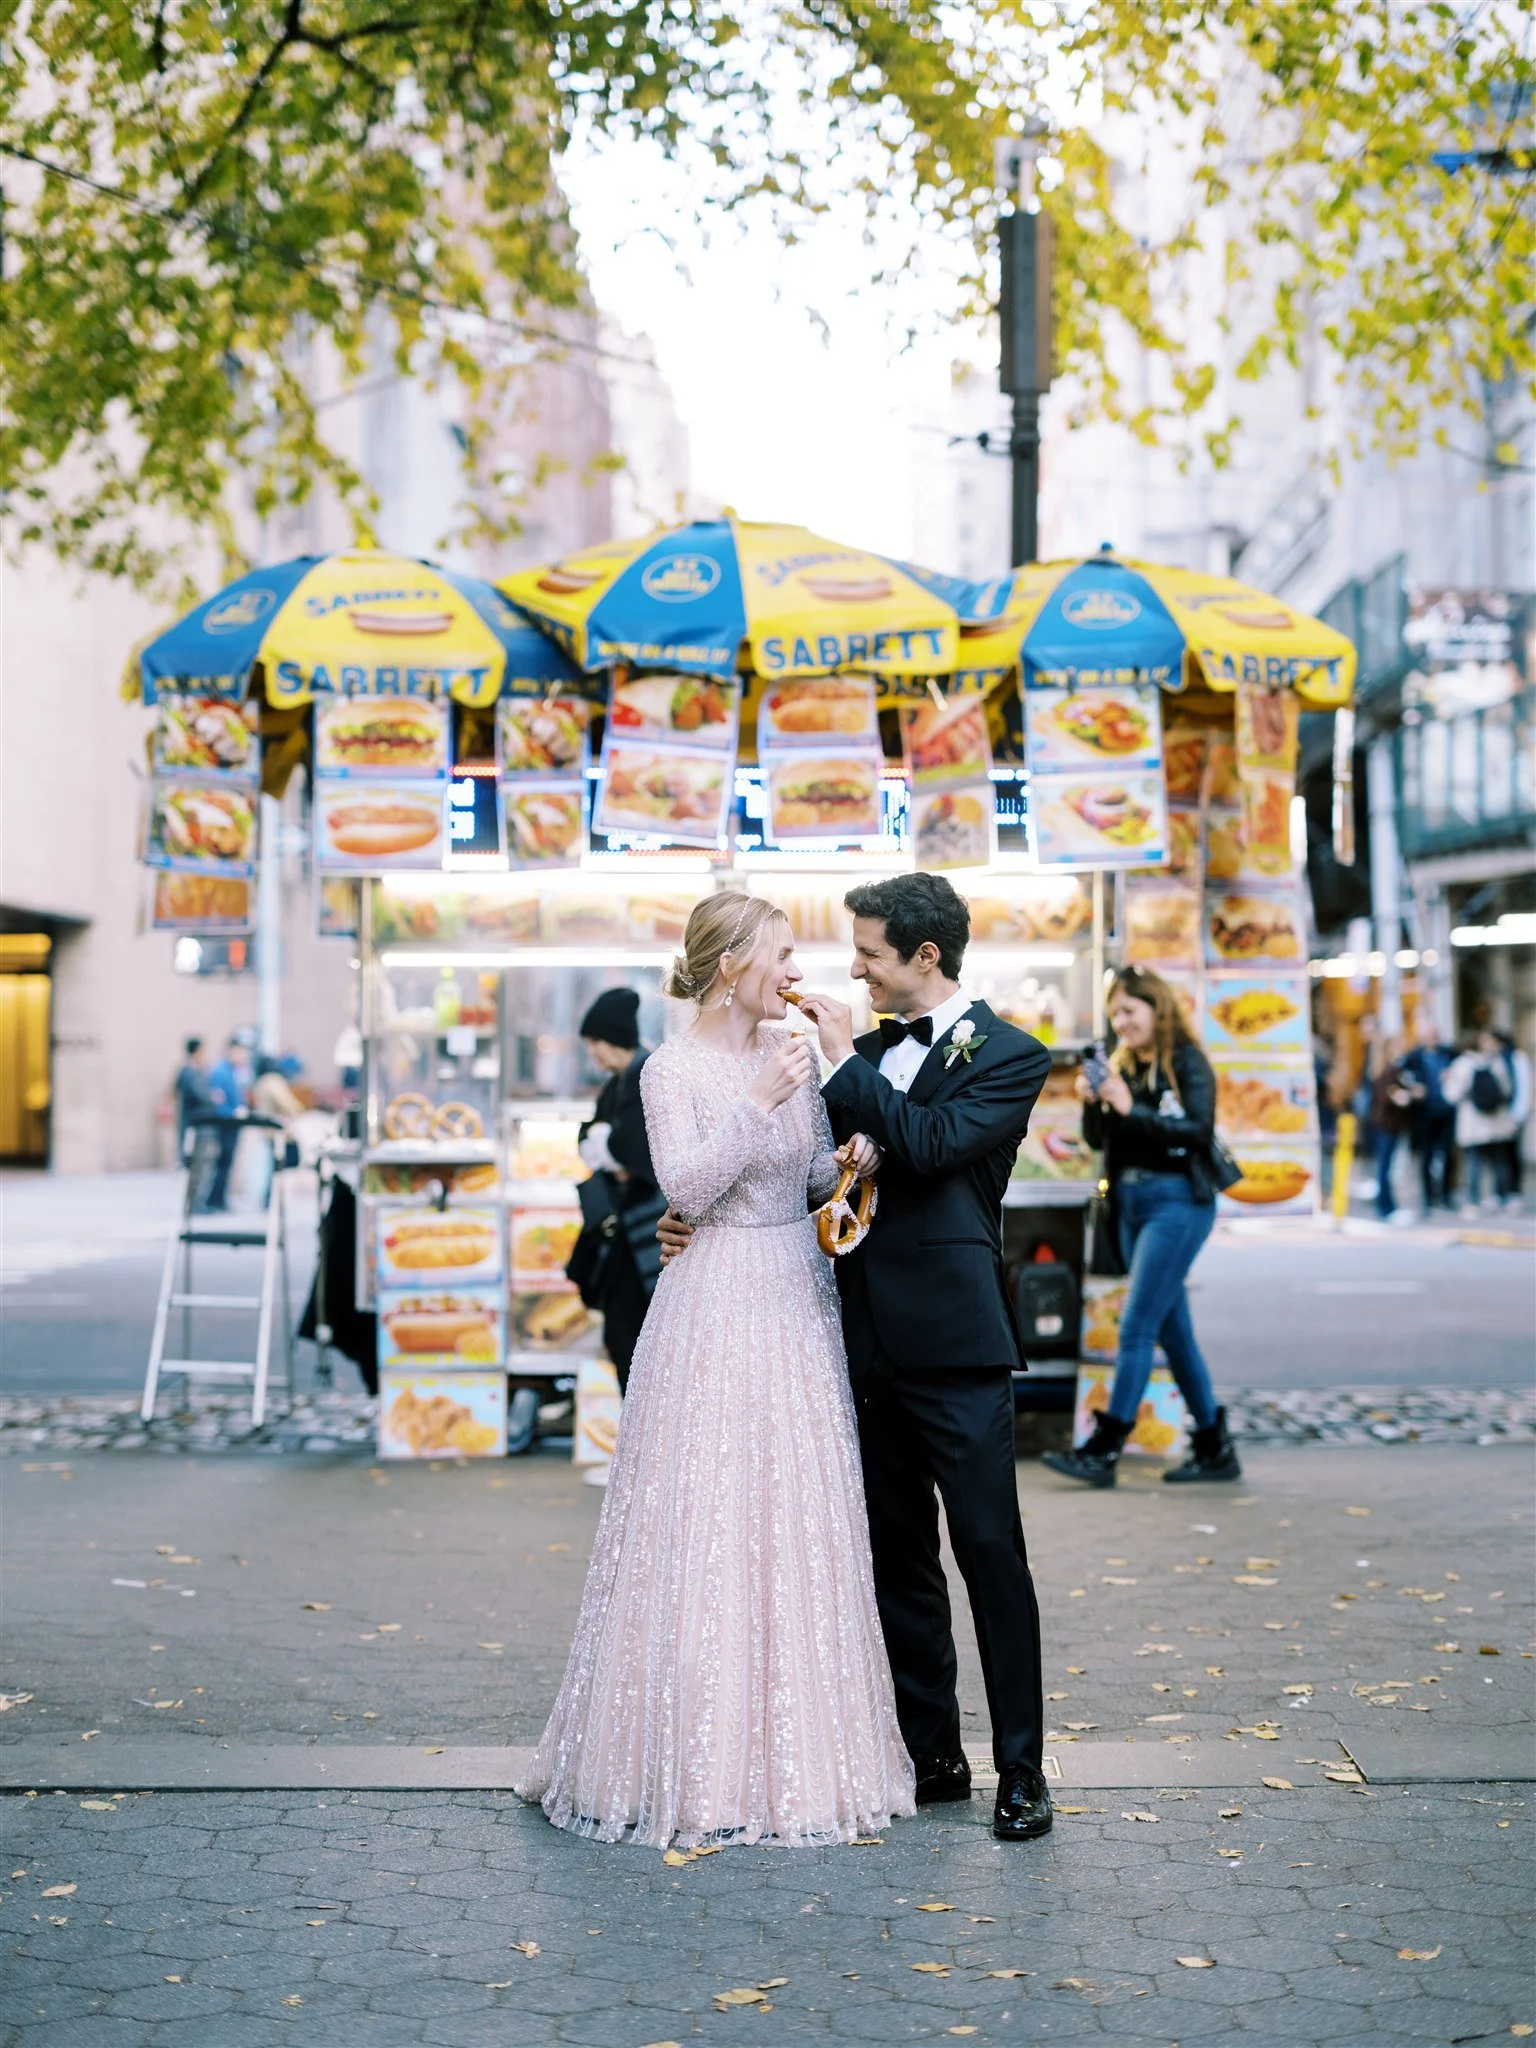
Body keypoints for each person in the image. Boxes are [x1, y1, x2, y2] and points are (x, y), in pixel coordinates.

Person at [516, 893, 915, 1849]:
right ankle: (691, 1760)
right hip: (714, 1299)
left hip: (796, 1294)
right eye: (779, 956)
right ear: (731, 962)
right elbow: (688, 1187)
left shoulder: (794, 1057)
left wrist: (852, 1157)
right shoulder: (671, 1070)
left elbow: (810, 1175)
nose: (793, 971)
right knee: (705, 1515)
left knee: (797, 1513)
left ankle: (802, 1760)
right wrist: (760, 1102)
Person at [779, 873, 1057, 1842]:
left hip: (957, 1343)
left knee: (990, 1553)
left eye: (870, 952)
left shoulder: (1014, 1054)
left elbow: (934, 1145)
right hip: (865, 1341)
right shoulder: (867, 1055)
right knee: (898, 1554)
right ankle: (933, 1750)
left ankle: (1022, 1769)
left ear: (925, 956)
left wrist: (844, 1056)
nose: (855, 966)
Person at [1043, 964, 1240, 1489]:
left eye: (1129, 1011)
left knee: (1135, 1326)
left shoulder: (1186, 1062)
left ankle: (1104, 1448)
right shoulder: (1124, 1065)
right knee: (1174, 1334)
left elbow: (1198, 1132)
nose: (1121, 1023)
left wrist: (1130, 1105)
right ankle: (1217, 1447)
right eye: (1115, 1014)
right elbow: (1104, 1140)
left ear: (1157, 1007)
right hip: (1129, 1203)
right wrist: (1095, 1106)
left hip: (1177, 1203)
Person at [572, 986, 661, 1395]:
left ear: (613, 1038)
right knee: (624, 1333)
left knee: (632, 1333)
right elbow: (587, 1138)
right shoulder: (619, 1081)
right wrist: (608, 1146)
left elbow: (635, 1153)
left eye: (594, 1042)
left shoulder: (647, 1075)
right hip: (626, 1229)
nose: (592, 1052)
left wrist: (610, 1147)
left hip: (646, 1230)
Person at [1444, 1028, 1518, 1212]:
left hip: (1472, 1123)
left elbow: (1452, 1095)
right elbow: (1507, 1090)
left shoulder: (1462, 1064)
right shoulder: (1497, 1062)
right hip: (1496, 1121)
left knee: (1473, 1164)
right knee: (1499, 1162)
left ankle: (1473, 1202)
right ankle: (1503, 1197)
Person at [1401, 1011, 1458, 1213]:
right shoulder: (1414, 1057)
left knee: (1448, 1155)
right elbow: (1403, 1078)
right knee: (1426, 1156)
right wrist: (1413, 1088)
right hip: (1424, 1114)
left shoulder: (1450, 1054)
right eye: (1428, 1033)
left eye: (1434, 1033)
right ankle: (1428, 1196)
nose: (1432, 1037)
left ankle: (1446, 1195)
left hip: (1447, 1111)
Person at [1365, 1032, 1416, 1225]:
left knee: (1384, 1167)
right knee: (1385, 1168)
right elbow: (1393, 1096)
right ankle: (1387, 1208)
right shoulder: (1390, 1071)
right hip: (1388, 1124)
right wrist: (1408, 1095)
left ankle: (1386, 1206)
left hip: (1383, 1124)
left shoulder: (1381, 1069)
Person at [1494, 1030, 1531, 1212]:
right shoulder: (1495, 1059)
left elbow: (1524, 1086)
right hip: (1499, 1116)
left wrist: (1518, 1114)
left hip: (1515, 1114)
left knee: (1513, 1155)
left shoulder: (1517, 1058)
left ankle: (1514, 1192)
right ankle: (1501, 1193)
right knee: (1500, 1155)